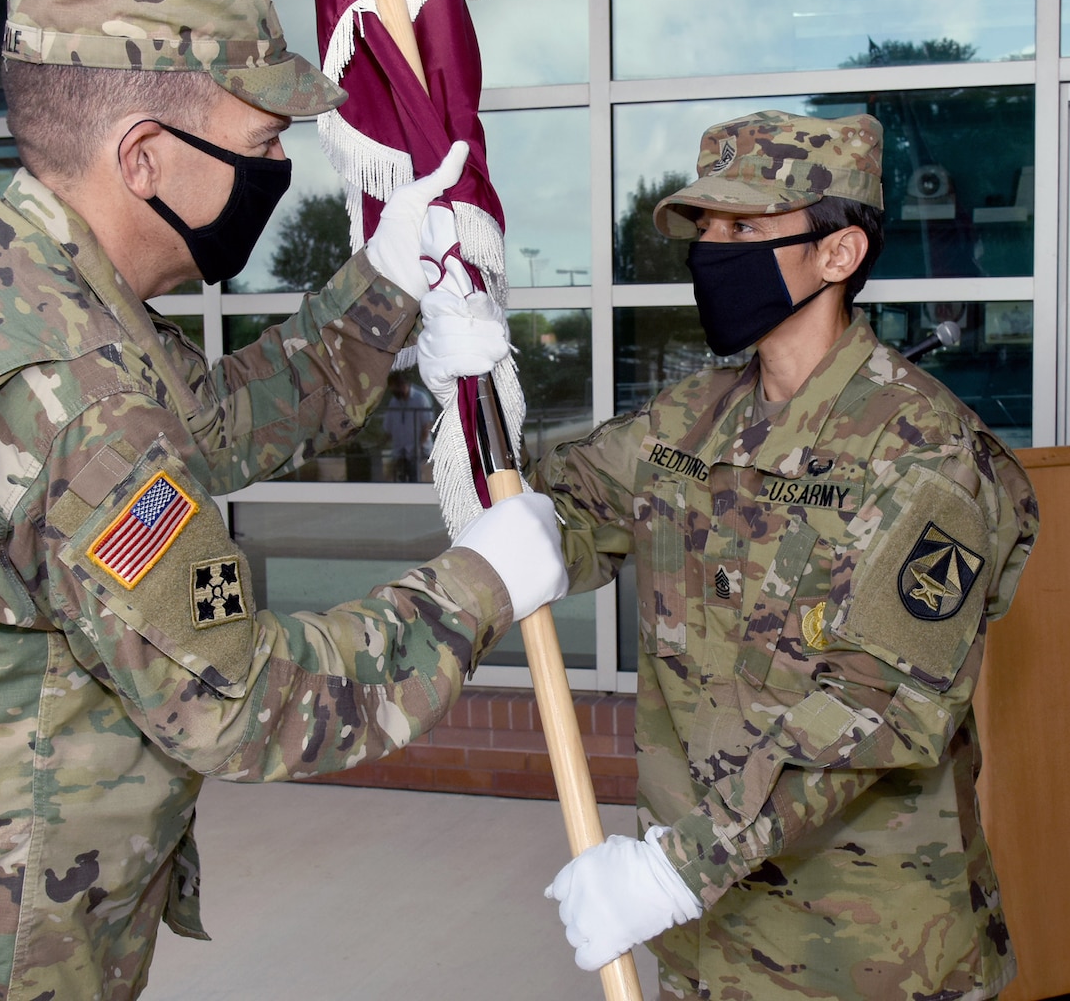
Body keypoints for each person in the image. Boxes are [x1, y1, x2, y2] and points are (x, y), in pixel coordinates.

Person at [0, 0, 561, 1001]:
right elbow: (249, 698)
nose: (278, 168)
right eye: (262, 140)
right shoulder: (70, 378)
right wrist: (479, 586)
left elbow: (213, 423)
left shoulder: (9, 277)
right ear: (144, 157)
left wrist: (386, 282)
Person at [420, 111, 1039, 999]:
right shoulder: (687, 420)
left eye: (745, 229)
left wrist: (671, 870)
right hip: (705, 941)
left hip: (864, 955)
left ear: (837, 255)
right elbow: (537, 519)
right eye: (705, 228)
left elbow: (877, 708)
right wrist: (470, 395)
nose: (713, 250)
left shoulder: (923, 453)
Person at [382, 370, 435, 481]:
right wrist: (379, 445)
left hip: (418, 451)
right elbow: (389, 429)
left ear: (402, 384)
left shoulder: (420, 399)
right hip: (400, 451)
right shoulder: (394, 402)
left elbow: (427, 426)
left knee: (414, 477)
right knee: (394, 478)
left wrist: (418, 447)